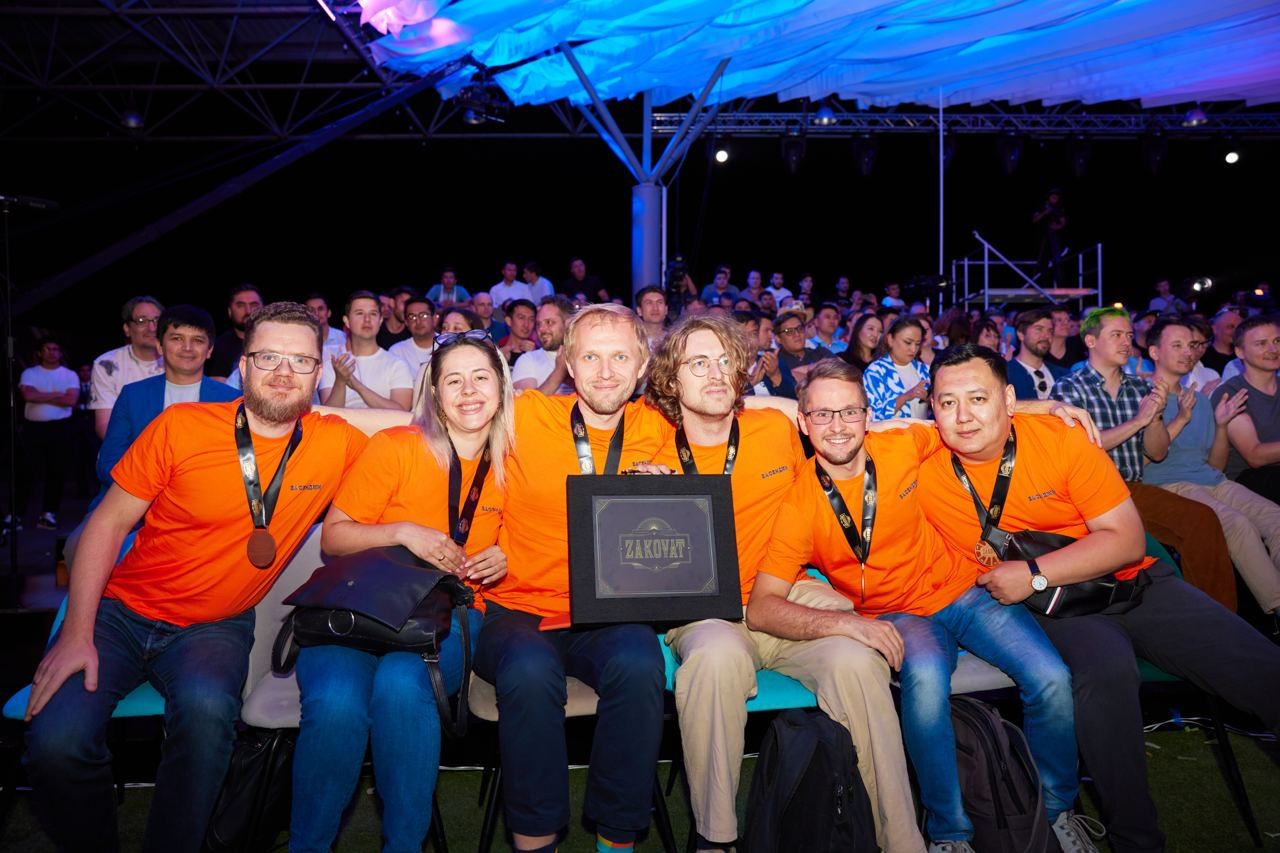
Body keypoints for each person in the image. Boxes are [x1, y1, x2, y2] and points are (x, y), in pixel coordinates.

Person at [23, 302, 369, 853]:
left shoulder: (338, 441)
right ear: (243, 365)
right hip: (120, 614)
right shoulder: (181, 426)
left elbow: (414, 441)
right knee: (56, 742)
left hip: (215, 627)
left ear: (318, 371)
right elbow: (106, 525)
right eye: (269, 357)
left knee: (207, 723)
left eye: (301, 361)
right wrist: (76, 632)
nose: (284, 372)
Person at [920, 344, 1280, 853]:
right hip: (1059, 611)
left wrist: (1034, 573)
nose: (962, 416)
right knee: (1105, 676)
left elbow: (1126, 540)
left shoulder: (1060, 438)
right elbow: (838, 422)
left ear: (1008, 398)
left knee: (1262, 668)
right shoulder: (921, 458)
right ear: (931, 408)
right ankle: (1136, 841)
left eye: (979, 398)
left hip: (1135, 585)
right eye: (947, 402)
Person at [756, 358, 1093, 853]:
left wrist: (1050, 406)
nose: (837, 426)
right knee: (927, 681)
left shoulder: (903, 442)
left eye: (849, 412)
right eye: (822, 414)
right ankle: (949, 833)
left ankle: (1056, 810)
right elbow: (762, 608)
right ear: (804, 423)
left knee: (1051, 678)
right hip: (897, 615)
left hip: (965, 591)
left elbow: (969, 417)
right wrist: (844, 625)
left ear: (868, 416)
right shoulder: (799, 504)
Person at [646, 324, 925, 853]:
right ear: (671, 380)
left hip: (787, 595)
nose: (714, 374)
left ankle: (901, 842)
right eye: (698, 363)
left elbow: (853, 417)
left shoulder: (775, 426)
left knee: (858, 660)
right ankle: (715, 839)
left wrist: (1041, 407)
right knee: (715, 660)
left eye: (725, 361)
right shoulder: (646, 438)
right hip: (707, 609)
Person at [291, 330, 514, 853]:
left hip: (448, 616)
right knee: (336, 702)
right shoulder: (397, 446)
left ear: (502, 387)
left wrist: (507, 556)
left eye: (480, 377)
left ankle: (404, 846)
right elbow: (333, 537)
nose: (468, 391)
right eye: (453, 380)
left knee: (402, 683)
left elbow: (537, 541)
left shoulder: (516, 464)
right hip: (359, 611)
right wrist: (403, 532)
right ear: (434, 393)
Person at [473, 304, 672, 853]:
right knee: (530, 670)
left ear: (642, 365)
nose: (605, 372)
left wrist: (664, 490)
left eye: (620, 358)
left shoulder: (661, 429)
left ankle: (617, 840)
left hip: (609, 610)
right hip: (517, 607)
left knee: (640, 662)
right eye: (590, 357)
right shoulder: (525, 413)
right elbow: (441, 410)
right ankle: (536, 842)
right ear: (567, 361)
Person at [1052, 307, 1238, 610]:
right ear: (1091, 341)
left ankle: (1221, 616)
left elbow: (1158, 452)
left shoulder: (1141, 387)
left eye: (1128, 335)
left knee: (1202, 519)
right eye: (1116, 335)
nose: (1126, 342)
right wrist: (1139, 420)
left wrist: (1154, 419)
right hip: (1089, 493)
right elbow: (1084, 447)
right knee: (1155, 556)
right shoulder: (1070, 386)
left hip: (1132, 488)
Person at [1143, 317, 1280, 623]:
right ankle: (1276, 609)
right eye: (1177, 345)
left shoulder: (1202, 401)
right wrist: (1177, 418)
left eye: (1192, 345)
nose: (1188, 352)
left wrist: (1220, 426)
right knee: (1237, 524)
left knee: (1275, 518)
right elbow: (1147, 459)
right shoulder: (1142, 396)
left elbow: (1215, 466)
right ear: (1154, 352)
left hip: (1213, 480)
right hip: (1167, 484)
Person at [1212, 314, 1280, 505]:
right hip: (1249, 480)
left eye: (1277, 341)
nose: (1273, 349)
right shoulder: (1231, 394)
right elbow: (1255, 456)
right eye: (1261, 343)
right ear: (1240, 352)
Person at [12, 340, 79, 531]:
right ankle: (17, 514)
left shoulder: (69, 374)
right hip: (32, 429)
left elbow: (71, 400)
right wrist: (58, 394)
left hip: (60, 428)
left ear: (60, 353)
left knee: (56, 472)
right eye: (47, 349)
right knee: (24, 472)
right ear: (40, 353)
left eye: (56, 349)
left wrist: (40, 395)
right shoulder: (30, 373)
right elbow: (28, 396)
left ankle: (49, 513)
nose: (52, 352)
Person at [319, 290, 414, 411]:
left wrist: (357, 386)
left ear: (380, 320)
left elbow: (402, 412)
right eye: (359, 313)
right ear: (347, 321)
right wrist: (340, 381)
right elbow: (328, 414)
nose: (367, 319)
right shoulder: (334, 364)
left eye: (373, 314)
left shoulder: (396, 365)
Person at [89, 296, 165, 439]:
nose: (152, 328)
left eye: (157, 320)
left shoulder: (180, 359)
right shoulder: (107, 364)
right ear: (127, 329)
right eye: (141, 321)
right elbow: (104, 424)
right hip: (130, 447)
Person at [863, 317, 930, 421]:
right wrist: (906, 396)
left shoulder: (924, 369)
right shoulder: (875, 372)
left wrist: (929, 399)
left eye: (917, 344)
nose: (913, 349)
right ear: (890, 340)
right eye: (908, 342)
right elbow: (872, 415)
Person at [511, 297, 575, 395]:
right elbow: (528, 402)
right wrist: (560, 371)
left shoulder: (587, 356)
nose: (541, 329)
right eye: (538, 324)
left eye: (549, 322)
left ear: (568, 324)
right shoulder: (528, 360)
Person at [1007, 308, 1068, 401]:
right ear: (1021, 334)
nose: (1046, 336)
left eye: (1050, 331)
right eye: (1039, 329)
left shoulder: (1063, 375)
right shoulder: (1005, 374)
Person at [208, 285, 264, 380]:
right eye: (240, 306)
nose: (248, 311)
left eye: (254, 305)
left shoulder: (277, 340)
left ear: (264, 309)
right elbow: (217, 385)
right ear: (230, 312)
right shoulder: (219, 347)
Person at [389, 295, 438, 381]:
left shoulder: (448, 345)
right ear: (406, 322)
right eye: (412, 317)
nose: (418, 321)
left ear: (434, 319)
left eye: (423, 315)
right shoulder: (397, 352)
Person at [1032, 189, 1067, 288]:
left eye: (1057, 197)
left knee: (1057, 261)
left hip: (1054, 237)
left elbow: (1063, 222)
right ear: (1049, 197)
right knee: (1043, 262)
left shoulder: (1059, 208)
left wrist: (1057, 226)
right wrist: (1045, 213)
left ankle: (1060, 285)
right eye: (1053, 196)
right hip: (1042, 237)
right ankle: (1043, 285)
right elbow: (1035, 219)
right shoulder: (1041, 206)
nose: (1055, 199)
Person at [1202, 305, 1243, 375]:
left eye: (1239, 327)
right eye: (1230, 327)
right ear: (1214, 329)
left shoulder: (1244, 356)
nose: (1236, 331)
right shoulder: (1203, 356)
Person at [498, 298, 538, 367]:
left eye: (531, 319)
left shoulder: (539, 354)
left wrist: (536, 357)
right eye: (521, 318)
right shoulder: (497, 353)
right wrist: (497, 362)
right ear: (509, 321)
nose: (526, 324)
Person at [376, 285, 417, 350]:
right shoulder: (376, 330)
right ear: (392, 303)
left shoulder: (413, 334)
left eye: (410, 305)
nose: (407, 309)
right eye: (404, 303)